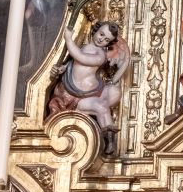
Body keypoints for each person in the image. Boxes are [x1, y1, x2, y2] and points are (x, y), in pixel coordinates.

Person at [49, 20, 131, 155]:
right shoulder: (84, 46)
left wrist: (68, 38)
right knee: (101, 106)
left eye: (106, 39)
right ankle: (108, 137)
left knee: (104, 103)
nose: (102, 39)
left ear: (109, 43)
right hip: (70, 94)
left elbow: (80, 57)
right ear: (95, 30)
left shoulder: (100, 55)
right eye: (101, 34)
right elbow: (74, 63)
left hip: (85, 95)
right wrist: (62, 68)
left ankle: (109, 141)